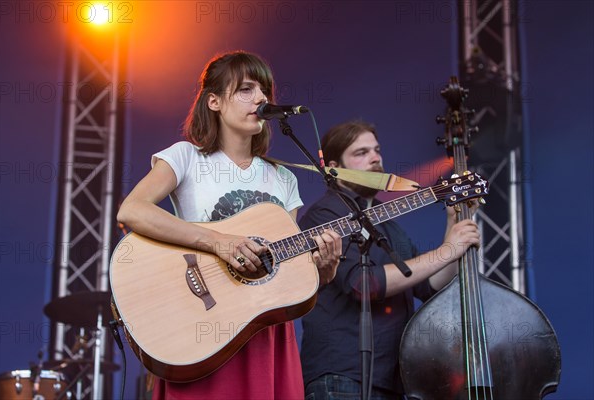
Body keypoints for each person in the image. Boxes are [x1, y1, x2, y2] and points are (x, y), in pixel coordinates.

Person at [117, 50, 341, 399]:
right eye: (246, 89)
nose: (262, 99)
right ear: (215, 102)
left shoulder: (283, 178)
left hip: (263, 329)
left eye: (264, 90)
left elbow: (286, 269)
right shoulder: (185, 157)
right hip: (201, 323)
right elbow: (132, 211)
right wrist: (219, 242)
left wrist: (323, 272)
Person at [298, 121, 481, 399]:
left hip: (392, 379)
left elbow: (429, 285)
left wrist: (454, 223)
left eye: (377, 150)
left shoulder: (383, 218)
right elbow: (364, 284)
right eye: (361, 153)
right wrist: (448, 250)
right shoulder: (325, 213)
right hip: (341, 376)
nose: (375, 158)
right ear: (334, 167)